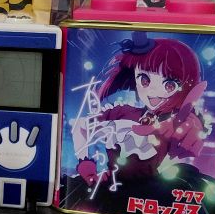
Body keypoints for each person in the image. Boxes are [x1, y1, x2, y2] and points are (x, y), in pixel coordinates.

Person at [73, 32, 207, 181]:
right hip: (111, 186)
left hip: (151, 190)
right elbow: (81, 127)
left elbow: (188, 124)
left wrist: (194, 124)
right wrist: (85, 164)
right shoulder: (122, 112)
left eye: (169, 85)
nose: (153, 92)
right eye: (144, 80)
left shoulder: (175, 123)